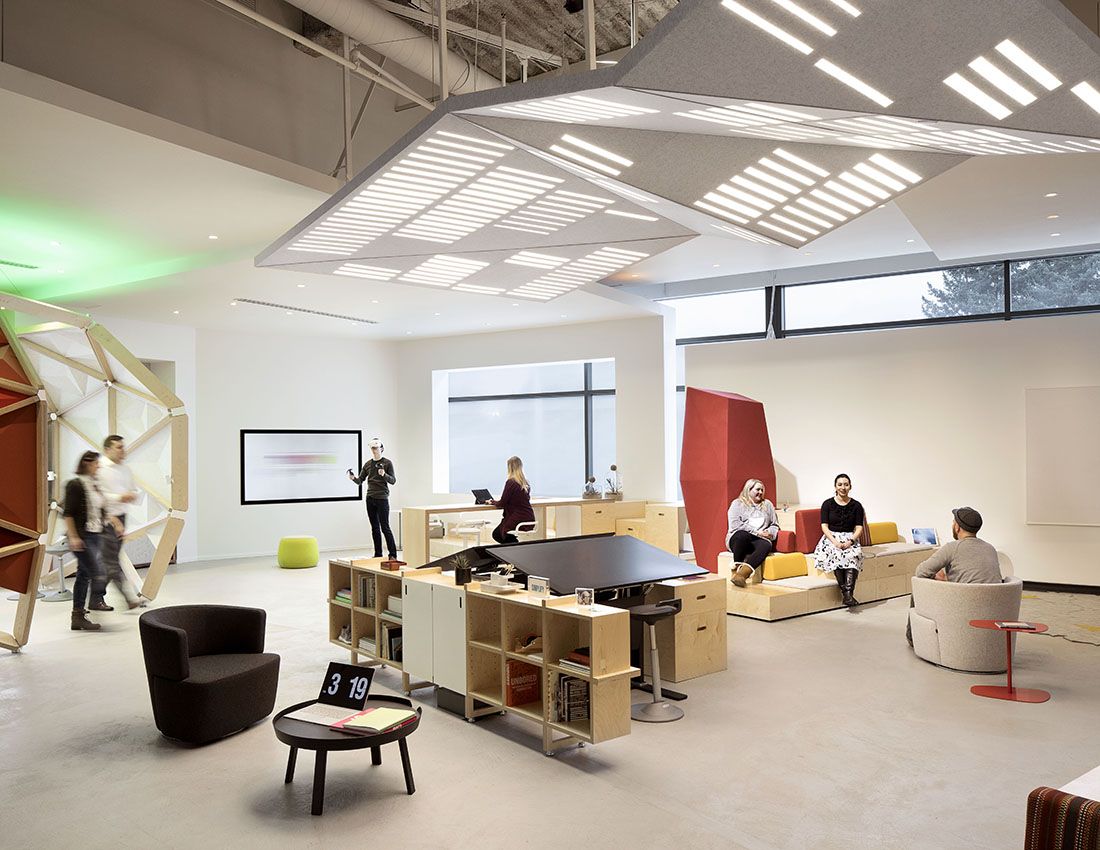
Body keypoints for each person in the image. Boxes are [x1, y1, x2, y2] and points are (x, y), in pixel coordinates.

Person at [906, 506, 1002, 645]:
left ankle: (912, 638)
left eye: (953, 522)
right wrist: (946, 579)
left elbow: (921, 572)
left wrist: (937, 578)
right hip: (991, 610)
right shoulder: (990, 548)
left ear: (957, 527)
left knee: (918, 585)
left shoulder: (952, 547)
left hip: (962, 609)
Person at [64, 450, 118, 631]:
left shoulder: (94, 484)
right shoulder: (75, 484)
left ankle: (78, 616)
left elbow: (101, 509)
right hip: (83, 535)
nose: (98, 467)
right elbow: (68, 513)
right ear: (86, 463)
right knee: (97, 571)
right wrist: (73, 536)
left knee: (84, 574)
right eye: (96, 463)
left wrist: (114, 524)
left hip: (96, 535)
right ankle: (88, 607)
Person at [93, 435, 143, 610]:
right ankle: (128, 598)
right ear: (108, 449)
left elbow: (133, 490)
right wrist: (119, 498)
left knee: (109, 561)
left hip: (121, 517)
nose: (123, 450)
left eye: (123, 446)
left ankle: (95, 598)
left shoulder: (125, 469)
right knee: (112, 562)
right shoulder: (100, 469)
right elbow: (97, 496)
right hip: (107, 519)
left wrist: (131, 496)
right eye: (119, 447)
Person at [813, 474, 865, 607]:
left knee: (853, 556)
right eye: (840, 484)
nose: (843, 487)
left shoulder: (857, 505)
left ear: (850, 487)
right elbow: (824, 526)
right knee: (836, 555)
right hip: (831, 538)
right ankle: (847, 595)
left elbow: (859, 527)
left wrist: (851, 541)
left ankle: (847, 594)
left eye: (846, 485)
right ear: (835, 487)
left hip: (850, 538)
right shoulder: (827, 504)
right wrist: (835, 541)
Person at [349, 438, 397, 560]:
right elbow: (360, 481)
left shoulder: (387, 463)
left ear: (382, 448)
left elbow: (393, 481)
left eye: (376, 448)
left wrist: (384, 474)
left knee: (385, 527)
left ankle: (392, 554)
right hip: (370, 498)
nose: (374, 450)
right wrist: (353, 478)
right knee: (375, 528)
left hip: (382, 498)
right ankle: (378, 554)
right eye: (372, 448)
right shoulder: (367, 464)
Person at [726, 478, 779, 587]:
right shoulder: (737, 504)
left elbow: (775, 524)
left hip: (757, 541)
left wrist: (769, 532)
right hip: (738, 539)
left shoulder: (767, 504)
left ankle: (742, 574)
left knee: (766, 544)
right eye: (757, 489)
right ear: (748, 490)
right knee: (743, 535)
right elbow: (735, 524)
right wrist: (757, 532)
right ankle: (737, 566)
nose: (760, 492)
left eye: (762, 490)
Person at [490, 456, 535, 544]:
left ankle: (517, 548)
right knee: (505, 535)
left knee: (497, 534)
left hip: (517, 518)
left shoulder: (511, 482)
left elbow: (502, 502)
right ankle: (516, 548)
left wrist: (492, 502)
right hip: (529, 517)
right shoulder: (525, 483)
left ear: (509, 467)